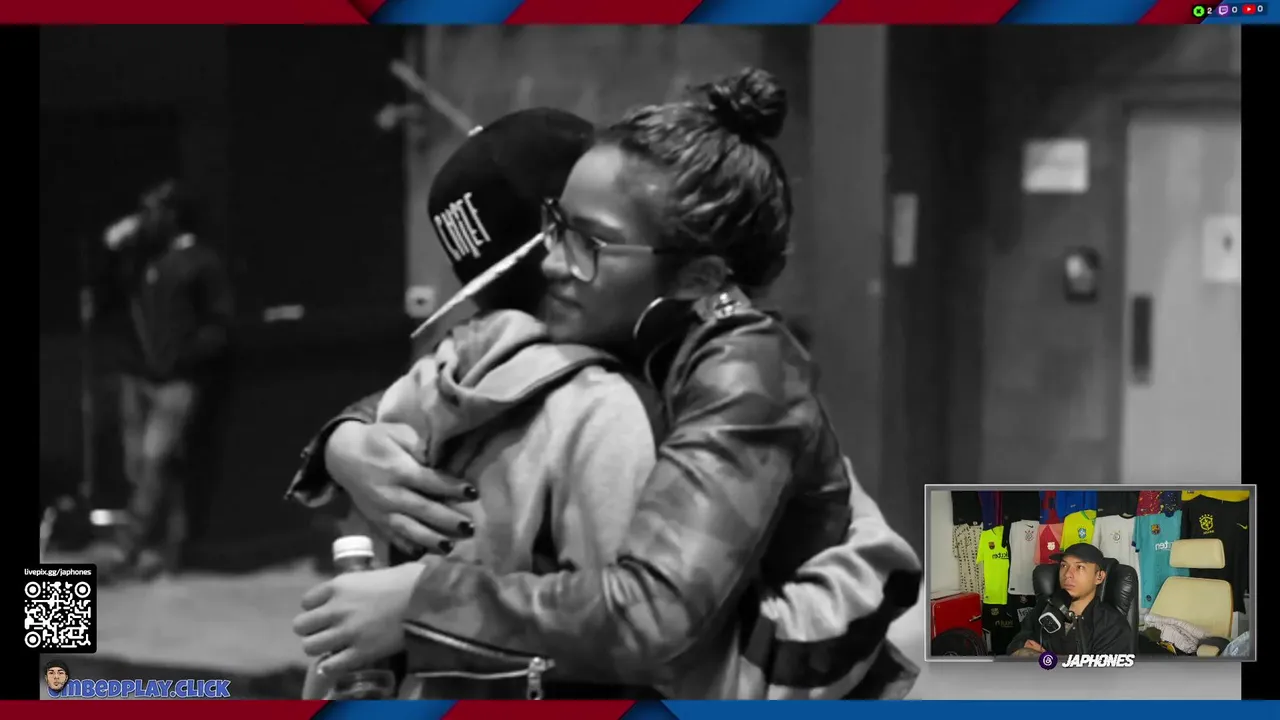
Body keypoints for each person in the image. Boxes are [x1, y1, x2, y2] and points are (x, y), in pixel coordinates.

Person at [293, 68, 921, 699]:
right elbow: (474, 365)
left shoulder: (743, 370)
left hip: (809, 683)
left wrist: (423, 603)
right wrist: (347, 440)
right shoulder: (636, 326)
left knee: (983, 577)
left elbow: (652, 614)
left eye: (590, 243)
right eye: (555, 225)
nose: (552, 261)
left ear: (701, 278)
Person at [93, 180, 233, 581]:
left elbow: (219, 324)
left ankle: (126, 549)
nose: (146, 217)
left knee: (154, 462)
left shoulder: (201, 261)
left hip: (175, 381)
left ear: (174, 214)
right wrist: (113, 248)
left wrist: (183, 358)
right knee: (143, 468)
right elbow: (108, 295)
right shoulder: (146, 259)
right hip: (138, 377)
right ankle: (165, 548)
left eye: (154, 209)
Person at [1007, 542, 1135, 658]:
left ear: (1099, 577)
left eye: (1080, 567)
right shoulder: (1043, 609)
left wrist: (1046, 658)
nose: (1067, 574)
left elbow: (1101, 674)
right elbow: (1015, 647)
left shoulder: (1112, 625)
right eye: (1064, 565)